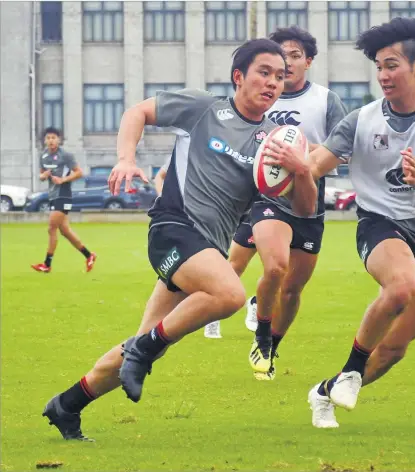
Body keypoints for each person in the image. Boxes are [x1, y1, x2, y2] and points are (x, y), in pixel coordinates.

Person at [42, 38, 316, 441]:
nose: (273, 82)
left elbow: (306, 208)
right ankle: (145, 350)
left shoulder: (276, 141)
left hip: (206, 249)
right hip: (173, 227)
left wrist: (302, 170)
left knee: (142, 342)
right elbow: (138, 112)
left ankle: (66, 406)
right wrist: (126, 158)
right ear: (239, 77)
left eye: (280, 75)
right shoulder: (205, 108)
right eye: (264, 73)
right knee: (229, 296)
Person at [304, 17, 415, 428]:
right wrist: (288, 166)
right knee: (401, 285)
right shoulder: (360, 120)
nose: (383, 75)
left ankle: (325, 390)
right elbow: (314, 166)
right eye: (379, 66)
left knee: (395, 350)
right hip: (381, 224)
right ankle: (350, 371)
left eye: (392, 65)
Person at [218, 27, 345, 381]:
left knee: (292, 289)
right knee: (275, 267)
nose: (284, 65)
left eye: (292, 56)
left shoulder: (325, 101)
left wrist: (301, 159)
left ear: (308, 61)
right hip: (269, 197)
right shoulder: (263, 96)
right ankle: (260, 329)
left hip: (308, 200)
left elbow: (342, 150)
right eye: (278, 58)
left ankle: (271, 344)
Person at [154, 129, 222, 340]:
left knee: (222, 281)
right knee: (223, 287)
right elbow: (161, 175)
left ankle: (142, 348)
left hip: (217, 226)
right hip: (184, 228)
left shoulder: (224, 154)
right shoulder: (186, 148)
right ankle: (211, 320)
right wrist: (163, 197)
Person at [31, 127, 96, 273]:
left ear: (59, 140)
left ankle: (47, 264)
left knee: (51, 228)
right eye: (48, 138)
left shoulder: (65, 155)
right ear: (44, 140)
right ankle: (89, 255)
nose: (51, 141)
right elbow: (41, 175)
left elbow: (79, 172)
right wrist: (44, 176)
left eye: (53, 138)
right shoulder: (43, 156)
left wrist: (63, 179)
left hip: (64, 195)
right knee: (65, 231)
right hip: (53, 195)